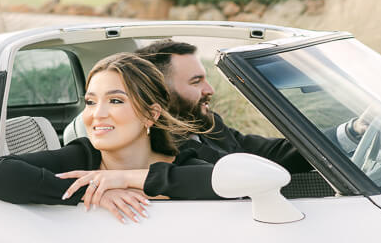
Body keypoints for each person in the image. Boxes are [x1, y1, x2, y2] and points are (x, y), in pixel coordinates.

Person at [0, 52, 229, 222]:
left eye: (115, 100)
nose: (97, 114)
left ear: (150, 114)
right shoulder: (82, 157)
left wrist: (122, 178)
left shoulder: (188, 157)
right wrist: (92, 191)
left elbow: (230, 180)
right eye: (90, 102)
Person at [138, 38, 368, 169]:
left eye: (206, 79)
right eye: (196, 82)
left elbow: (269, 153)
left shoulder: (207, 124)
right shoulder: (148, 150)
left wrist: (353, 130)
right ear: (161, 93)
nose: (210, 90)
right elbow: (239, 170)